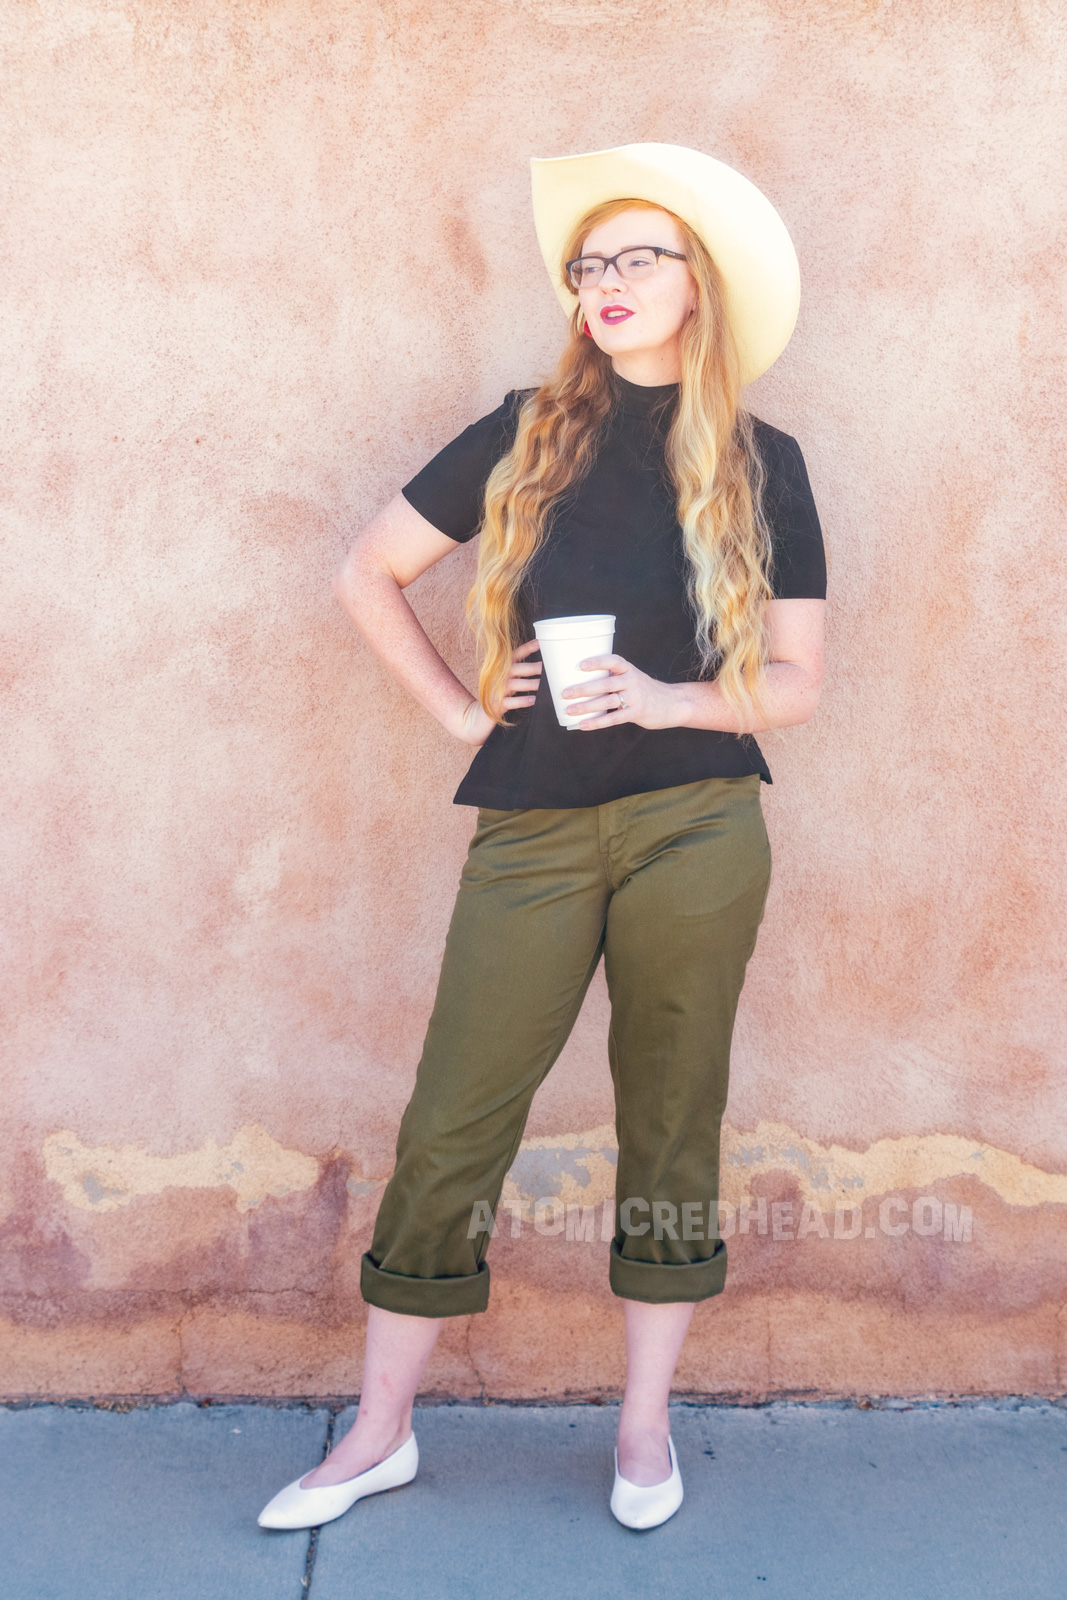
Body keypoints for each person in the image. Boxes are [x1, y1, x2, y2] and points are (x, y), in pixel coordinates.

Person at [259, 142, 825, 1534]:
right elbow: (366, 570)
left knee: (672, 1117)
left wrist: (673, 697)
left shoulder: (763, 460)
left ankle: (642, 1433)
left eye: (639, 257)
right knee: (454, 1116)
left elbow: (799, 682)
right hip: (530, 826)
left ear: (698, 287)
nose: (608, 282)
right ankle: (377, 1433)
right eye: (590, 265)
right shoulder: (522, 432)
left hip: (699, 826)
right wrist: (461, 714)